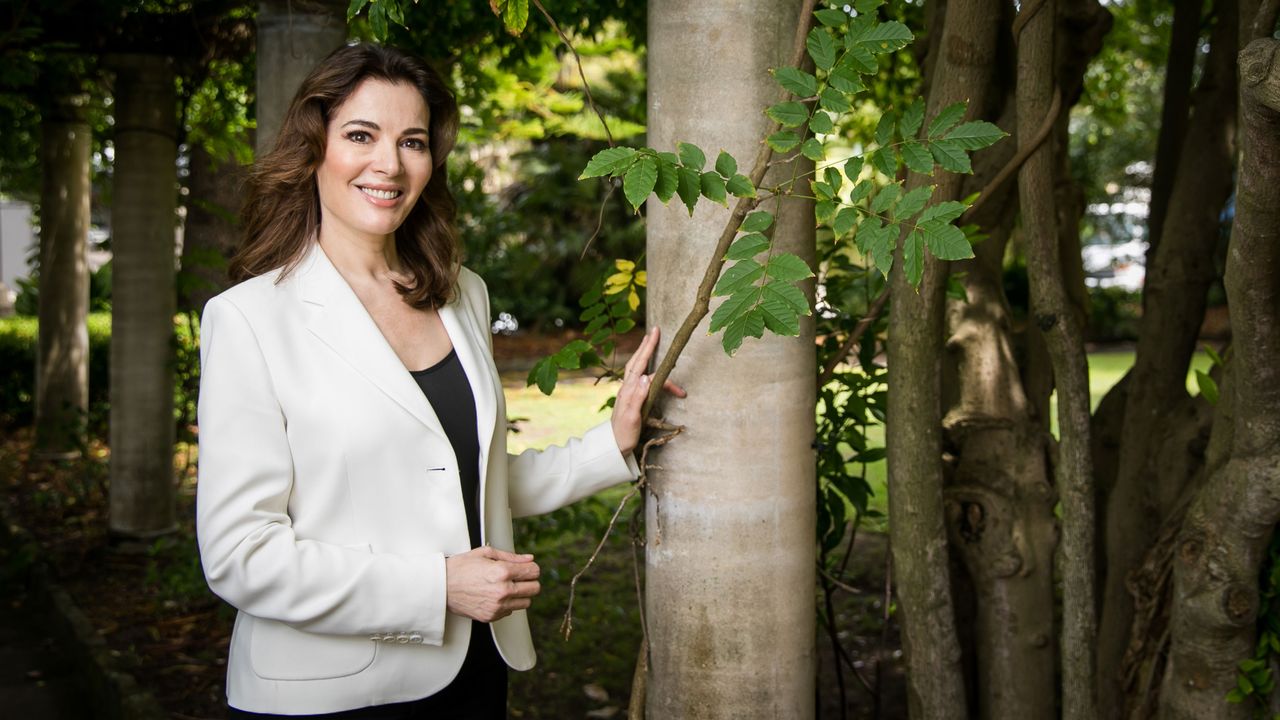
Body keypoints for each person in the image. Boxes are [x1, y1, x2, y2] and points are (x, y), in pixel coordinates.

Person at [196, 43, 682, 718]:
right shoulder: (248, 319)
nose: (389, 164)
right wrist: (437, 589)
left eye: (413, 141)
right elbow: (239, 555)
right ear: (315, 148)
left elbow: (462, 481)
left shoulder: (461, 296)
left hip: (475, 676)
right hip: (324, 696)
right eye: (361, 135)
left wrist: (613, 442)